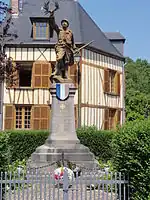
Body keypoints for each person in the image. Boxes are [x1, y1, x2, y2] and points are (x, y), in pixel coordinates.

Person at [49, 12, 78, 78]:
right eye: (63, 22)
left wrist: (75, 48)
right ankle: (56, 70)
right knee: (59, 58)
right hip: (61, 46)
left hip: (68, 48)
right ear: (61, 24)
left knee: (66, 62)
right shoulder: (59, 30)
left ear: (67, 24)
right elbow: (53, 25)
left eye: (65, 22)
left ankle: (65, 73)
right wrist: (51, 15)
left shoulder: (70, 33)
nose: (64, 23)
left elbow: (73, 42)